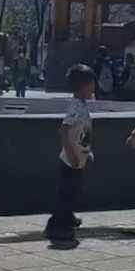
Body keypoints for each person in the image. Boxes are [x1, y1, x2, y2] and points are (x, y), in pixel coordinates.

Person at [44, 64, 95, 240]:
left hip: (78, 159)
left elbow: (83, 133)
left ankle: (68, 217)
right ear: (85, 86)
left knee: (74, 190)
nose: (93, 88)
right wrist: (72, 153)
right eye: (91, 84)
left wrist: (87, 152)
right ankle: (56, 224)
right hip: (70, 160)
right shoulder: (76, 108)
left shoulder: (81, 106)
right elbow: (64, 130)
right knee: (66, 192)